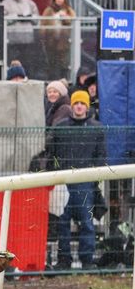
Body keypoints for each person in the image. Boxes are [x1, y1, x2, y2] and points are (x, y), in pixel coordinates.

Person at [48, 90, 105, 270]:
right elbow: (52, 153)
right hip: (64, 182)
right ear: (72, 106)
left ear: (87, 107)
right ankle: (64, 259)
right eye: (76, 103)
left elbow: (101, 155)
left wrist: (95, 177)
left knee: (86, 222)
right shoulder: (61, 127)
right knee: (63, 222)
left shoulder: (96, 128)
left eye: (82, 103)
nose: (79, 106)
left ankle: (86, 260)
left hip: (85, 182)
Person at [2, 0, 40, 79]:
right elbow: (2, 19)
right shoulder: (5, 3)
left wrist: (29, 17)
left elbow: (37, 19)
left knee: (28, 62)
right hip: (12, 40)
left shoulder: (30, 3)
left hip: (28, 40)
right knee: (14, 63)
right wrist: (16, 17)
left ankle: (28, 78)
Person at [41, 0, 75, 81]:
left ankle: (64, 81)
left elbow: (73, 22)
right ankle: (52, 82)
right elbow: (42, 25)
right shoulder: (48, 10)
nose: (59, 0)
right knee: (52, 64)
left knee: (64, 64)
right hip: (51, 43)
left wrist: (65, 17)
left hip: (65, 44)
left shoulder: (69, 10)